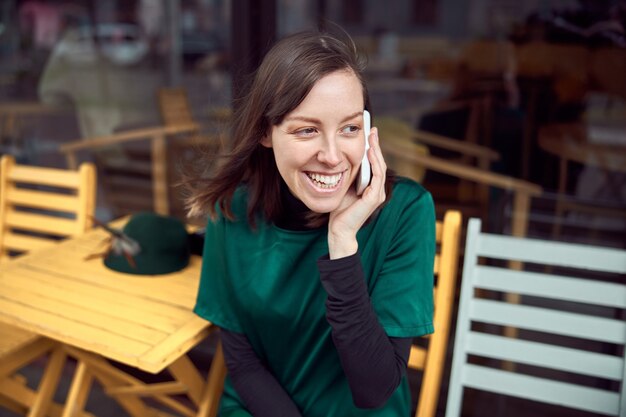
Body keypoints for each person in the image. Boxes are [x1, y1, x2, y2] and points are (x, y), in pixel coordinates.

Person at [187, 30, 435, 417]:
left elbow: (374, 390)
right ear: (266, 132)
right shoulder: (231, 210)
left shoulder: (405, 211)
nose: (333, 156)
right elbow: (244, 364)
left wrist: (342, 242)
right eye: (307, 130)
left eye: (350, 128)